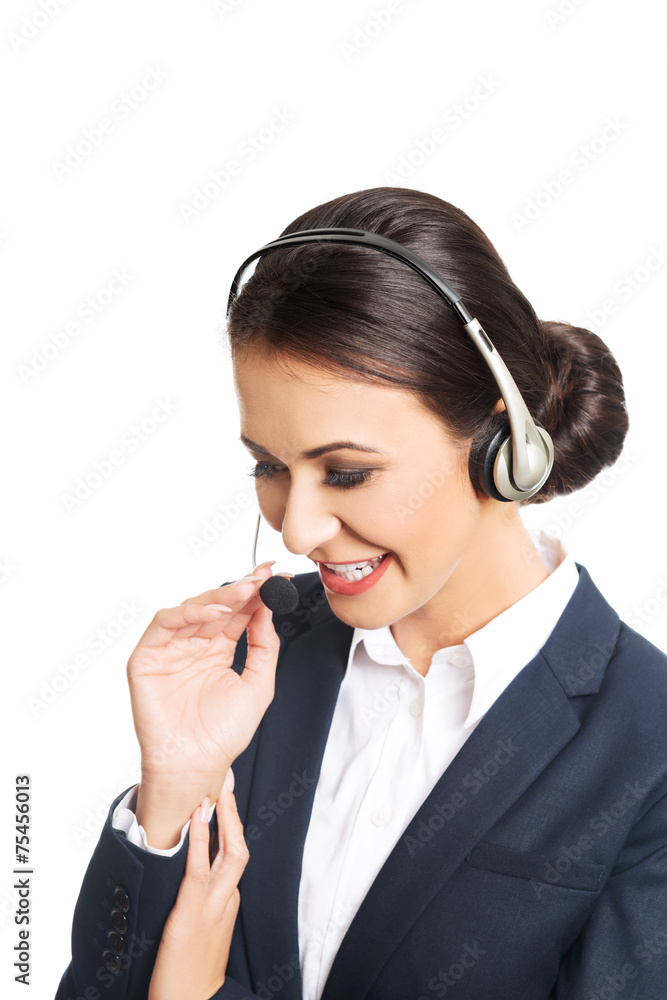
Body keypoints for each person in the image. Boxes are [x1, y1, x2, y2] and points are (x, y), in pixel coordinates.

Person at [55, 187, 667, 1000]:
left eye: (345, 472)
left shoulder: (647, 744)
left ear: (500, 445)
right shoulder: (244, 661)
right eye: (269, 466)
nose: (296, 530)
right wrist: (169, 795)